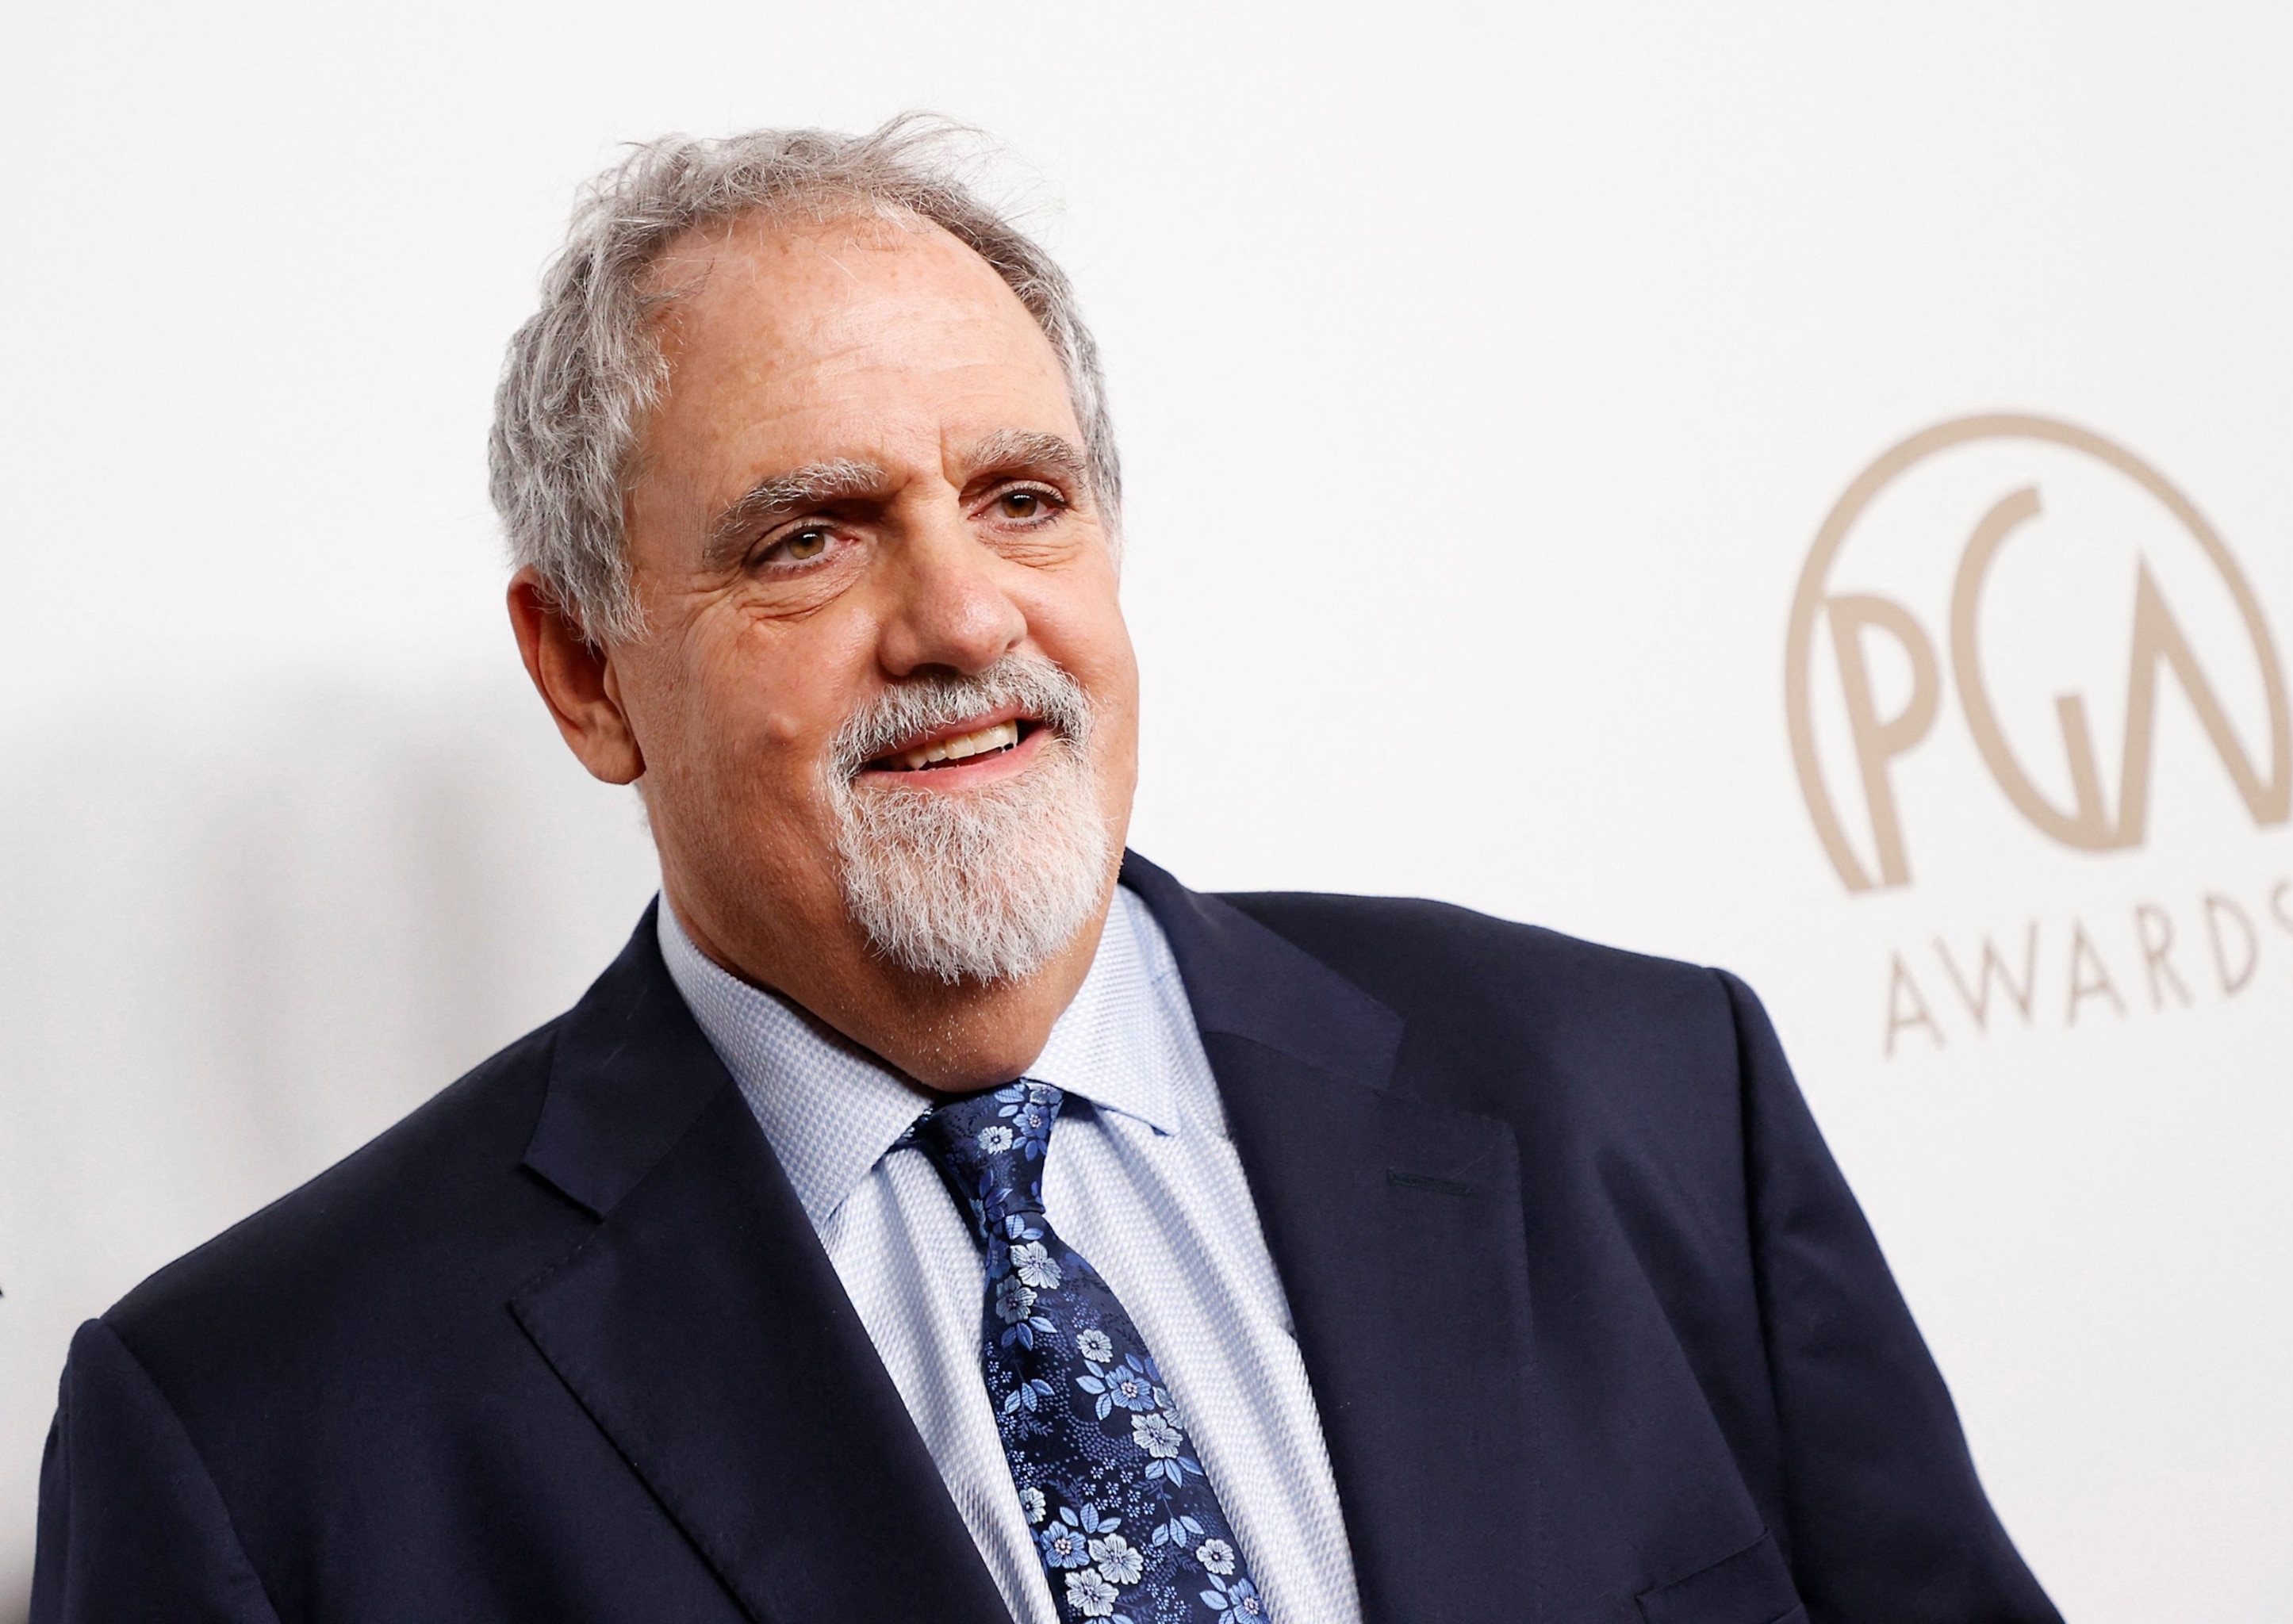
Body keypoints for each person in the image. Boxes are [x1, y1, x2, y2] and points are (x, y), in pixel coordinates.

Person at [30, 120, 2061, 1624]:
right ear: (585, 669)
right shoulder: (254, 1435)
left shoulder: (1637, 1090)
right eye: (811, 536)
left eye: (1022, 500)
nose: (963, 617)